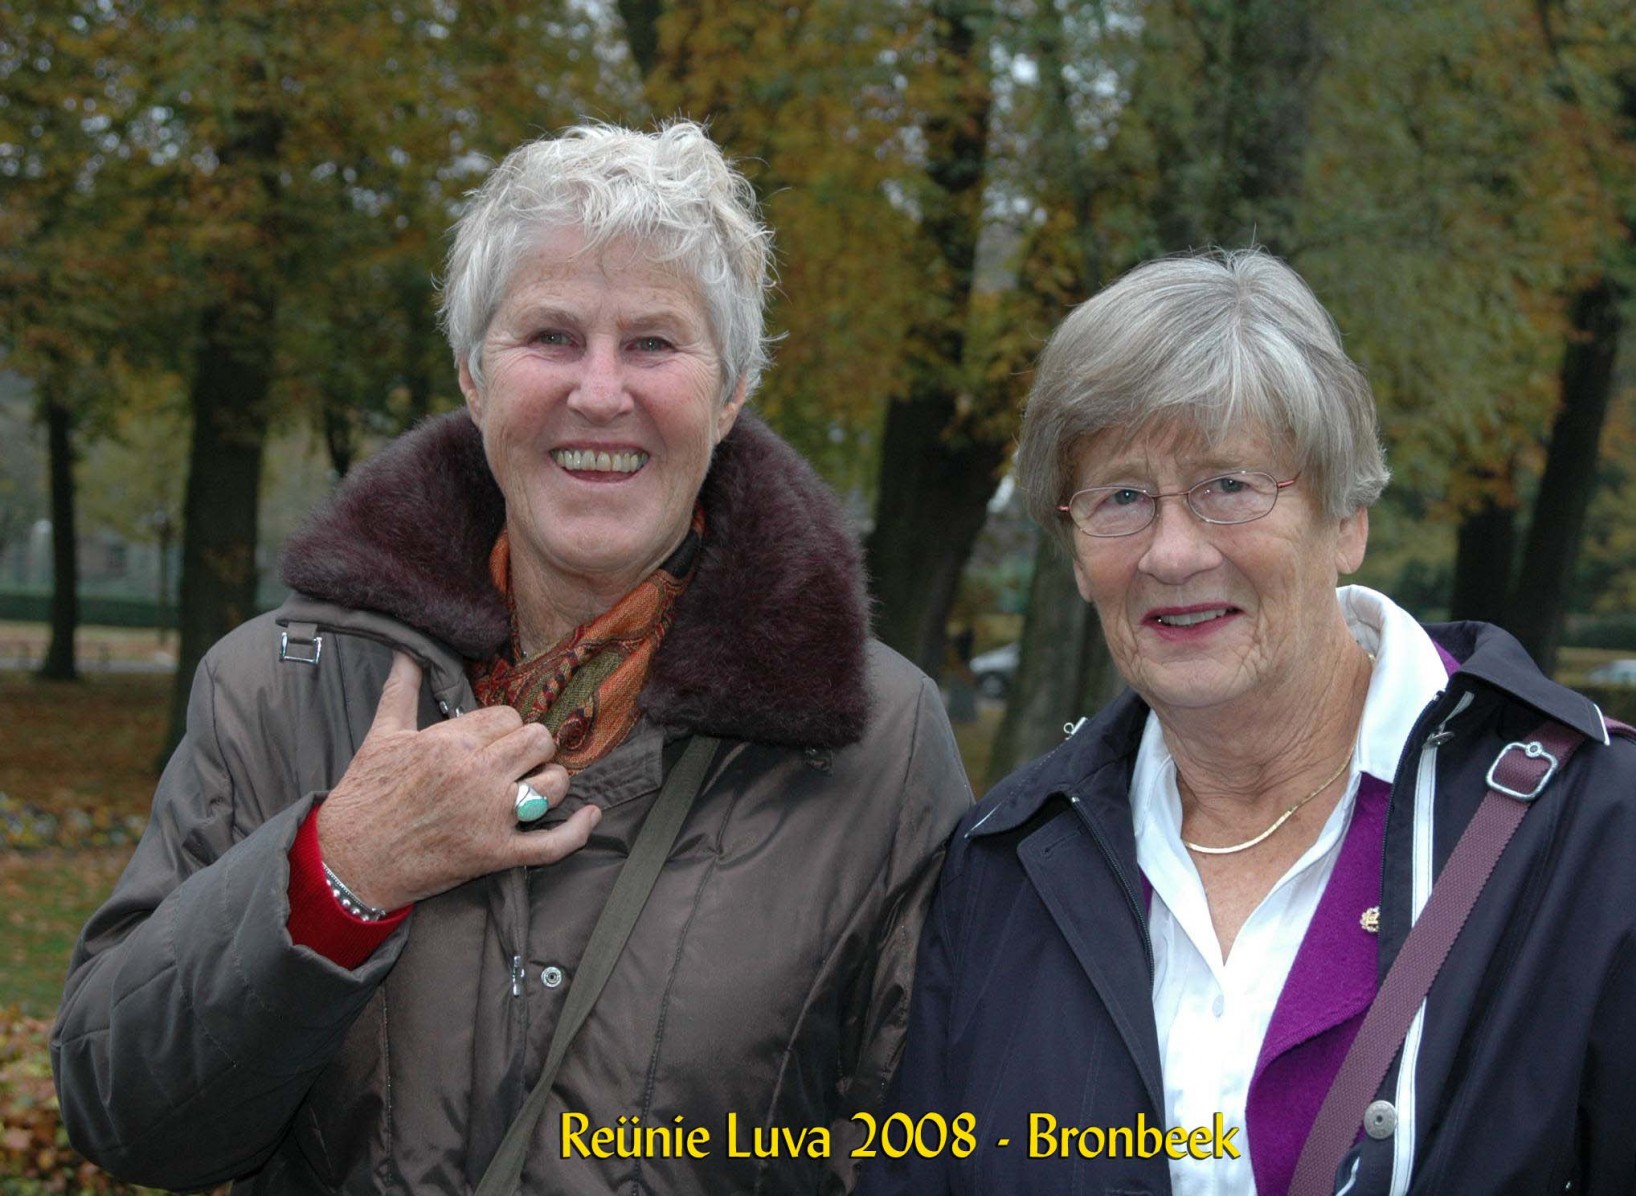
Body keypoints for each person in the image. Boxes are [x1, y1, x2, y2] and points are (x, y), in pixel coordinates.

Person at [53, 121, 971, 1194]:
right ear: (473, 377)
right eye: (550, 336)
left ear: (730, 393)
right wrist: (340, 873)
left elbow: (926, 1148)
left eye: (653, 343)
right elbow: (124, 1115)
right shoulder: (278, 685)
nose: (600, 392)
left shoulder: (880, 739)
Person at [861, 249, 1636, 1195]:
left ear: (1347, 518)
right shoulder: (1007, 868)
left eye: (1230, 485)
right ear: (1074, 553)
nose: (1172, 553)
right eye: (1122, 498)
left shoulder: (1623, 851)